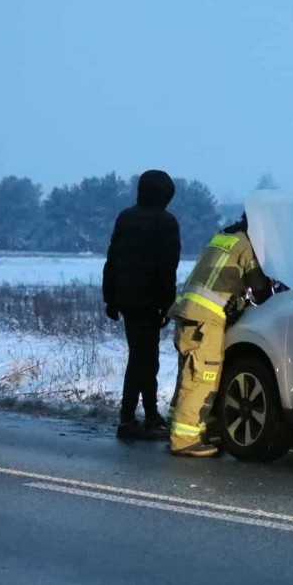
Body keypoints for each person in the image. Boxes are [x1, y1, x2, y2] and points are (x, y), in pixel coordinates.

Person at [166, 213, 271, 457]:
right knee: (203, 377)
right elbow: (261, 290)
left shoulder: (225, 237)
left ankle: (182, 428)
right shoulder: (248, 246)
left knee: (188, 375)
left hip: (188, 314)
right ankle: (184, 439)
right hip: (206, 319)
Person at [102, 169, 181, 441]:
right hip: (149, 301)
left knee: (143, 357)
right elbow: (168, 268)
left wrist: (110, 298)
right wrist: (167, 303)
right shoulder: (166, 222)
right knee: (144, 359)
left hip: (126, 299)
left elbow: (112, 260)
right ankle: (129, 418)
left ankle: (147, 415)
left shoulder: (126, 218)